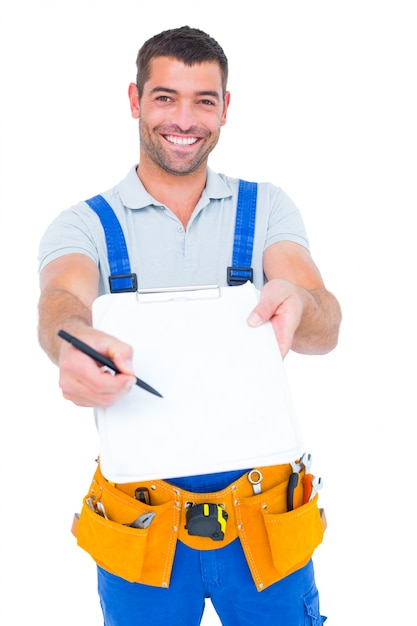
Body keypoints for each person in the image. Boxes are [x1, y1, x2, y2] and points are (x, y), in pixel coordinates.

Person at [38, 25, 341, 626]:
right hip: (140, 523)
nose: (184, 118)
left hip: (265, 521)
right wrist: (72, 339)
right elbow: (59, 302)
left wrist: (301, 306)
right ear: (135, 101)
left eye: (204, 100)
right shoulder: (84, 224)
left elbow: (325, 319)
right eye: (165, 97)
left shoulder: (267, 208)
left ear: (226, 110)